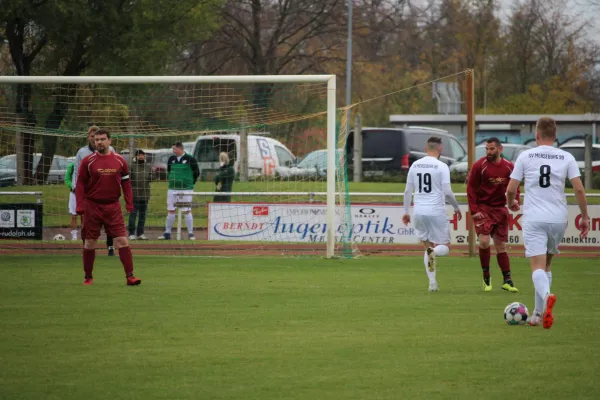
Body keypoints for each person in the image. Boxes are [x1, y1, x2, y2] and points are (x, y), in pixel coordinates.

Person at [506, 117, 589, 329]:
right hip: (558, 218)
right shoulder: (566, 156)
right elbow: (579, 189)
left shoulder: (525, 155)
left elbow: (511, 189)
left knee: (536, 268)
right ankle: (537, 314)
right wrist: (585, 217)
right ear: (555, 136)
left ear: (536, 135)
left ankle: (547, 296)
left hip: (535, 217)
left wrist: (511, 203)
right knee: (547, 265)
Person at [75, 129, 141, 286]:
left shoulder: (119, 160)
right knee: (90, 242)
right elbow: (80, 184)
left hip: (113, 206)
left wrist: (129, 202)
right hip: (93, 206)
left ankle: (130, 277)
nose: (99, 142)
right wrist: (80, 204)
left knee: (122, 240)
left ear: (110, 141)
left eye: (102, 139)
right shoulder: (87, 161)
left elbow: (126, 183)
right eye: (96, 139)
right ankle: (88, 277)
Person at [402, 136, 462, 292]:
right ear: (440, 149)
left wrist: (406, 212)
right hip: (436, 210)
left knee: (427, 246)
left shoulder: (415, 165)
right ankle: (434, 253)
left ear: (425, 149)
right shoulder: (442, 166)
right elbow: (448, 192)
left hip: (419, 211)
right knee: (445, 247)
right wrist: (456, 207)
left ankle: (432, 283)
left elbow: (408, 191)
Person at [467, 137, 521, 293]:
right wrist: (474, 210)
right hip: (483, 209)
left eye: (492, 149)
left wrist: (515, 200)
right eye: (487, 149)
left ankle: (507, 281)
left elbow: (515, 187)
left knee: (501, 246)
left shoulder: (509, 167)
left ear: (500, 149)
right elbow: (470, 188)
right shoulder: (480, 166)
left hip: (500, 210)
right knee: (484, 242)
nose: (489, 152)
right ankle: (486, 278)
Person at [73, 125, 116, 256]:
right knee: (86, 221)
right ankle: (86, 246)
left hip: (105, 191)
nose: (95, 140)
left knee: (109, 221)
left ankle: (110, 246)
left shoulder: (111, 150)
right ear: (89, 137)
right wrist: (76, 188)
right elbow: (77, 172)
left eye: (98, 138)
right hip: (87, 193)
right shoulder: (82, 152)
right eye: (92, 137)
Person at [158, 141, 200, 240]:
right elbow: (169, 171)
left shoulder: (190, 159)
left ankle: (190, 233)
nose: (173, 151)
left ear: (181, 149)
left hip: (186, 189)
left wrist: (190, 183)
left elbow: (196, 172)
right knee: (171, 210)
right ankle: (167, 233)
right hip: (172, 189)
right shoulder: (171, 159)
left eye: (175, 149)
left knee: (187, 210)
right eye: (173, 149)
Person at [128, 149, 153, 240]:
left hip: (145, 194)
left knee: (142, 215)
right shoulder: (131, 166)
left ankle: (140, 233)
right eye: (139, 155)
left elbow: (151, 177)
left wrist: (152, 175)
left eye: (142, 155)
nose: (141, 156)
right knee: (133, 214)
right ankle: (131, 233)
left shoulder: (148, 166)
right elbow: (128, 179)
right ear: (136, 156)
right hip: (135, 194)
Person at [65, 161, 79, 240]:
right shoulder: (72, 166)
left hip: (85, 194)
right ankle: (74, 236)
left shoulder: (88, 164)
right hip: (74, 194)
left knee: (84, 216)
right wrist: (73, 186)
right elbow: (67, 179)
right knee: (74, 215)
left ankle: (85, 235)